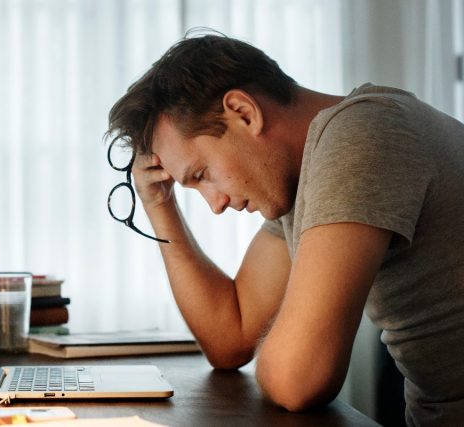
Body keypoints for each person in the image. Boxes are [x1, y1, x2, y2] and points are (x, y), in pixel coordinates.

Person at [106, 33, 464, 426]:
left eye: (203, 174)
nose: (216, 204)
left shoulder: (363, 133)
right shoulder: (303, 179)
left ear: (243, 112)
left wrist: (286, 351)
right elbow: (231, 338)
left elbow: (299, 379)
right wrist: (159, 203)